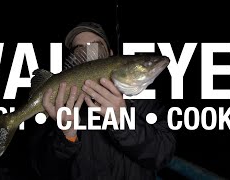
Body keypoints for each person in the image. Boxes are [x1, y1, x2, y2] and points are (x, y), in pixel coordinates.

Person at [29, 22, 176, 180]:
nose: (89, 53)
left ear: (111, 54)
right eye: (79, 49)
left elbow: (163, 155)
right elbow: (45, 171)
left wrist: (122, 120)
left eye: (96, 46)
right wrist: (67, 137)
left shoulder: (144, 101)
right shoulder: (57, 108)